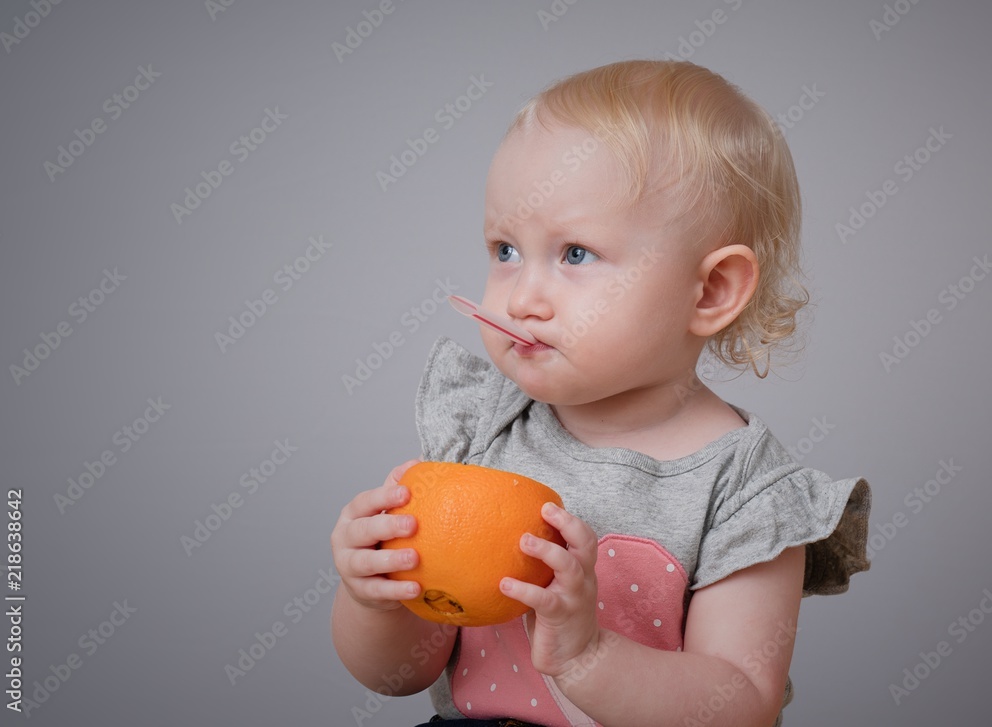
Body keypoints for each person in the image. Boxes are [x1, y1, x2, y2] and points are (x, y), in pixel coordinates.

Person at [331, 59, 871, 727]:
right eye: (505, 250)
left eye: (575, 254)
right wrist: (377, 597)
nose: (521, 296)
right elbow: (401, 675)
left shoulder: (745, 490)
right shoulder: (483, 429)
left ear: (710, 291)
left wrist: (588, 655)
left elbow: (740, 706)